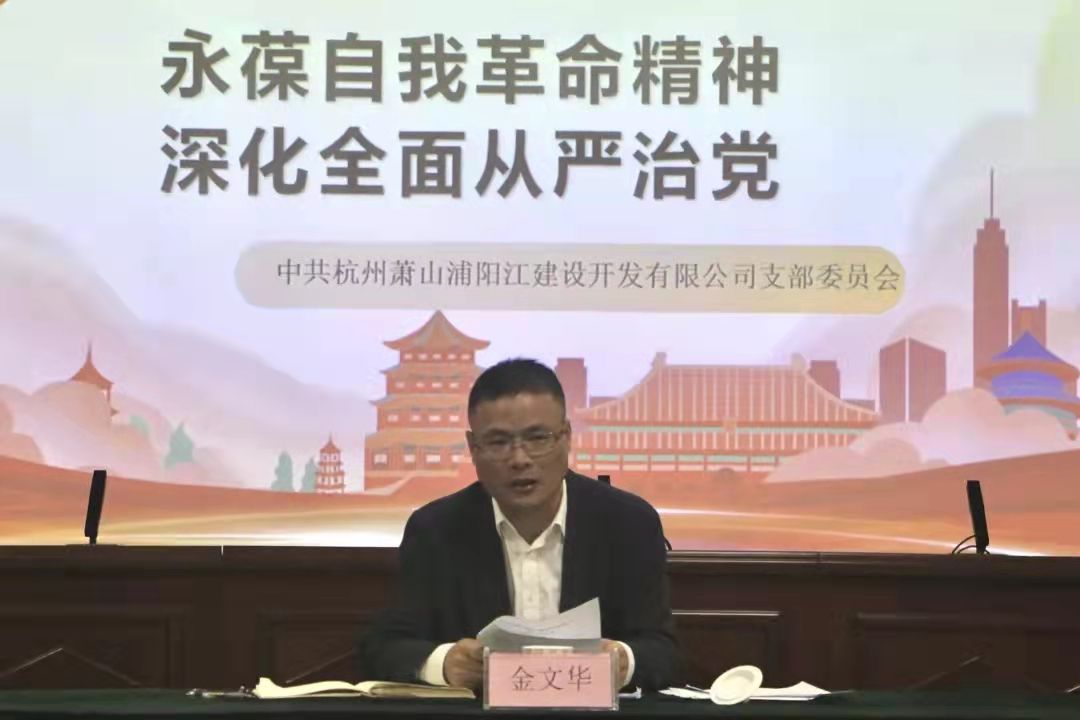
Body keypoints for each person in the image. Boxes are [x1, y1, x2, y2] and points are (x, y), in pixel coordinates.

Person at [359, 358, 679, 691]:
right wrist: (444, 663)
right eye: (498, 442)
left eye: (537, 438)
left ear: (566, 437)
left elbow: (661, 649)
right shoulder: (435, 529)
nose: (519, 459)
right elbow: (385, 647)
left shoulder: (628, 524)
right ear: (473, 448)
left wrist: (623, 661)